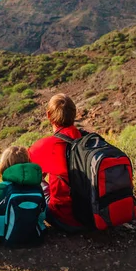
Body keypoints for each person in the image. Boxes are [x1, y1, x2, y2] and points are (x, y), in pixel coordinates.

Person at [29, 93, 84, 232]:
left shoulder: (43, 146)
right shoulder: (90, 139)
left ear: (48, 115)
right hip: (97, 214)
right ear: (74, 113)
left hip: (66, 220)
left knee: (34, 180)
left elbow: (27, 178)